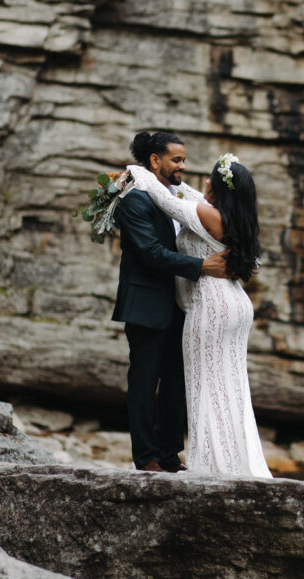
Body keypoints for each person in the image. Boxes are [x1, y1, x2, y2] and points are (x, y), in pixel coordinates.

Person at [127, 148, 273, 478]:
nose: (202, 180)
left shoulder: (207, 215)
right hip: (235, 306)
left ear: (220, 190)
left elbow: (167, 201)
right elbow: (187, 194)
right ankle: (239, 459)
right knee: (230, 385)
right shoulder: (236, 219)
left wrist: (137, 173)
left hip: (210, 307)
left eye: (211, 178)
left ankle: (212, 463)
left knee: (203, 385)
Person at [112, 131, 228, 473]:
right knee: (145, 383)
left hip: (181, 303)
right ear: (154, 161)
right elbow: (150, 252)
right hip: (146, 305)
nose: (183, 166)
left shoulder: (174, 197)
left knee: (177, 380)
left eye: (184, 159)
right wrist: (202, 266)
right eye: (177, 159)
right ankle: (145, 457)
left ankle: (168, 453)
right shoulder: (135, 200)